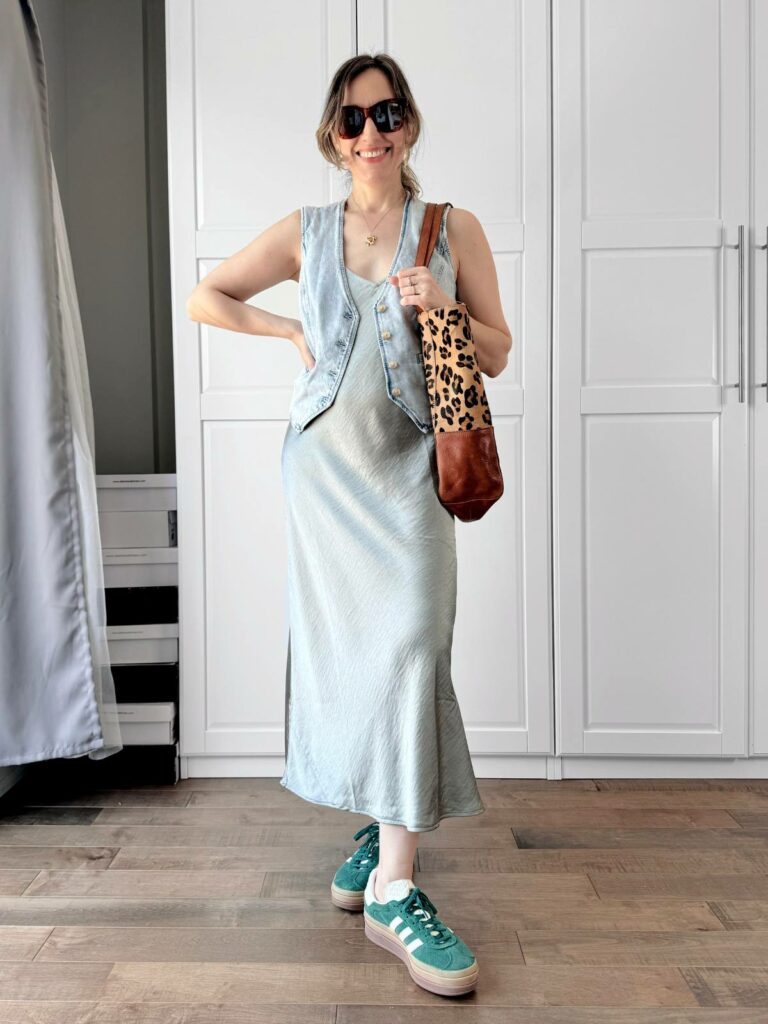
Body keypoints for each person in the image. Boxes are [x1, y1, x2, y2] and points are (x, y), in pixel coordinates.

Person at [187, 52, 512, 998]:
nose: (372, 133)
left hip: (413, 472)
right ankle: (385, 828)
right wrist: (286, 334)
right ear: (332, 136)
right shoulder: (308, 230)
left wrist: (443, 306)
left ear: (410, 123)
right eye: (353, 119)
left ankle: (394, 889)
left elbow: (496, 348)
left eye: (389, 113)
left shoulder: (453, 229)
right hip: (325, 479)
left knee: (412, 645)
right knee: (351, 659)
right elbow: (207, 295)